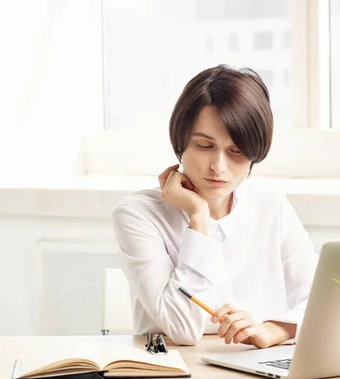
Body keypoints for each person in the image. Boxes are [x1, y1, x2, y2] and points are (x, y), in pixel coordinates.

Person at [111, 64, 318, 348]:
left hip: (253, 369)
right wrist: (199, 217)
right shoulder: (137, 215)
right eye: (204, 146)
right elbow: (182, 329)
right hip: (173, 376)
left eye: (236, 151)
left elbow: (324, 299)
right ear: (181, 143)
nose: (218, 167)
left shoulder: (271, 206)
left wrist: (272, 331)